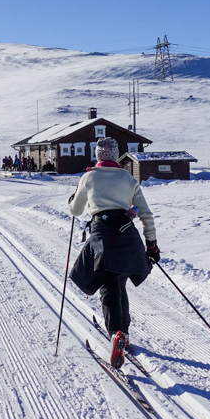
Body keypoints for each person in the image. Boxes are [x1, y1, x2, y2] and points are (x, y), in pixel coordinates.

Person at [68, 136, 159, 369]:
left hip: (101, 234)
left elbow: (76, 210)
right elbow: (146, 215)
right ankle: (124, 333)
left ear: (98, 155)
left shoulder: (88, 177)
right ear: (117, 155)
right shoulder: (128, 179)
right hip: (127, 235)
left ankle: (116, 333)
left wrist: (72, 198)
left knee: (107, 283)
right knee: (120, 281)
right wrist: (152, 245)